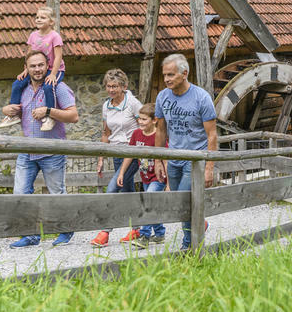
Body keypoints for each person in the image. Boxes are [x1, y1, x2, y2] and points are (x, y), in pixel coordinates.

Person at [1, 50, 79, 248]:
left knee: (56, 193)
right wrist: (6, 110)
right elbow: (12, 112)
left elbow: (73, 116)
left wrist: (49, 111)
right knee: (20, 193)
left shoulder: (57, 88)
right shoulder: (22, 89)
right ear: (26, 68)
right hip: (27, 150)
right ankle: (30, 235)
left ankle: (65, 230)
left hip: (52, 150)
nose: (37, 69)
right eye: (33, 66)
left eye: (41, 65)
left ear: (48, 66)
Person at [154, 53, 217, 250]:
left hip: (195, 159)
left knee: (182, 202)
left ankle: (188, 247)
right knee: (180, 202)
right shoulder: (162, 97)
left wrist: (209, 168)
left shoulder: (201, 98)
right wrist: (158, 160)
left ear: (184, 74)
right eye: (165, 75)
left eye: (171, 75)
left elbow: (212, 135)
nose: (166, 79)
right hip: (173, 159)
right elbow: (161, 130)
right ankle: (200, 224)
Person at [91, 69, 142, 248]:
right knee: (128, 192)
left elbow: (146, 125)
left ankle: (105, 232)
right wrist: (101, 158)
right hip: (115, 153)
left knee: (112, 188)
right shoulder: (107, 105)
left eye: (115, 86)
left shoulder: (133, 104)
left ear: (124, 86)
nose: (111, 90)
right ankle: (137, 229)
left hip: (132, 153)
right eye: (108, 86)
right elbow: (106, 133)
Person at [0, 7, 66, 131]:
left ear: (51, 22)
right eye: (37, 17)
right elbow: (28, 55)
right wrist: (25, 70)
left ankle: (50, 116)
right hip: (36, 68)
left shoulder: (54, 36)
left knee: (48, 86)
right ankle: (13, 115)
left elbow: (58, 57)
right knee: (17, 84)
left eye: (43, 17)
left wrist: (53, 74)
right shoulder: (33, 36)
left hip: (54, 69)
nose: (39, 19)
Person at [118, 103, 168, 248]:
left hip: (158, 178)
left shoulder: (159, 135)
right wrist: (122, 173)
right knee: (151, 204)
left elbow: (166, 158)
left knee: (147, 200)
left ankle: (144, 236)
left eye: (144, 119)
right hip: (145, 176)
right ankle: (159, 234)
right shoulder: (136, 134)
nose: (140, 122)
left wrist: (169, 183)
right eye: (139, 118)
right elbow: (129, 155)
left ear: (154, 120)